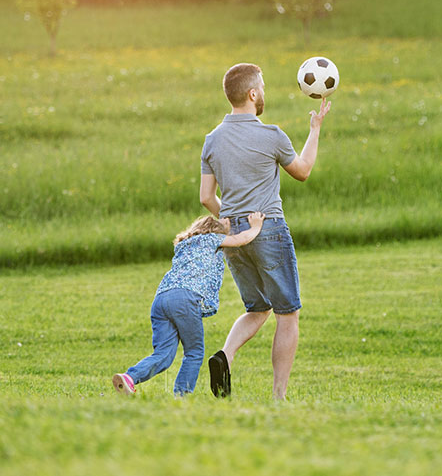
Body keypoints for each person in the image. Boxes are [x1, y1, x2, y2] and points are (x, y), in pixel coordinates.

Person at [200, 63, 332, 400]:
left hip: (231, 236)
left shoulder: (212, 140)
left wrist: (231, 220)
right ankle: (278, 397)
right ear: (253, 94)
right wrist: (315, 129)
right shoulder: (271, 135)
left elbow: (205, 198)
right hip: (268, 229)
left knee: (257, 308)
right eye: (262, 86)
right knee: (288, 314)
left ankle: (224, 356)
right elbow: (302, 172)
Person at [112, 212, 265, 396]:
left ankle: (129, 378)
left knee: (163, 354)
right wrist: (255, 225)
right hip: (184, 298)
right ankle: (182, 395)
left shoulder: (184, 245)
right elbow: (242, 239)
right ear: (214, 230)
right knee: (194, 352)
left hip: (161, 298)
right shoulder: (211, 239)